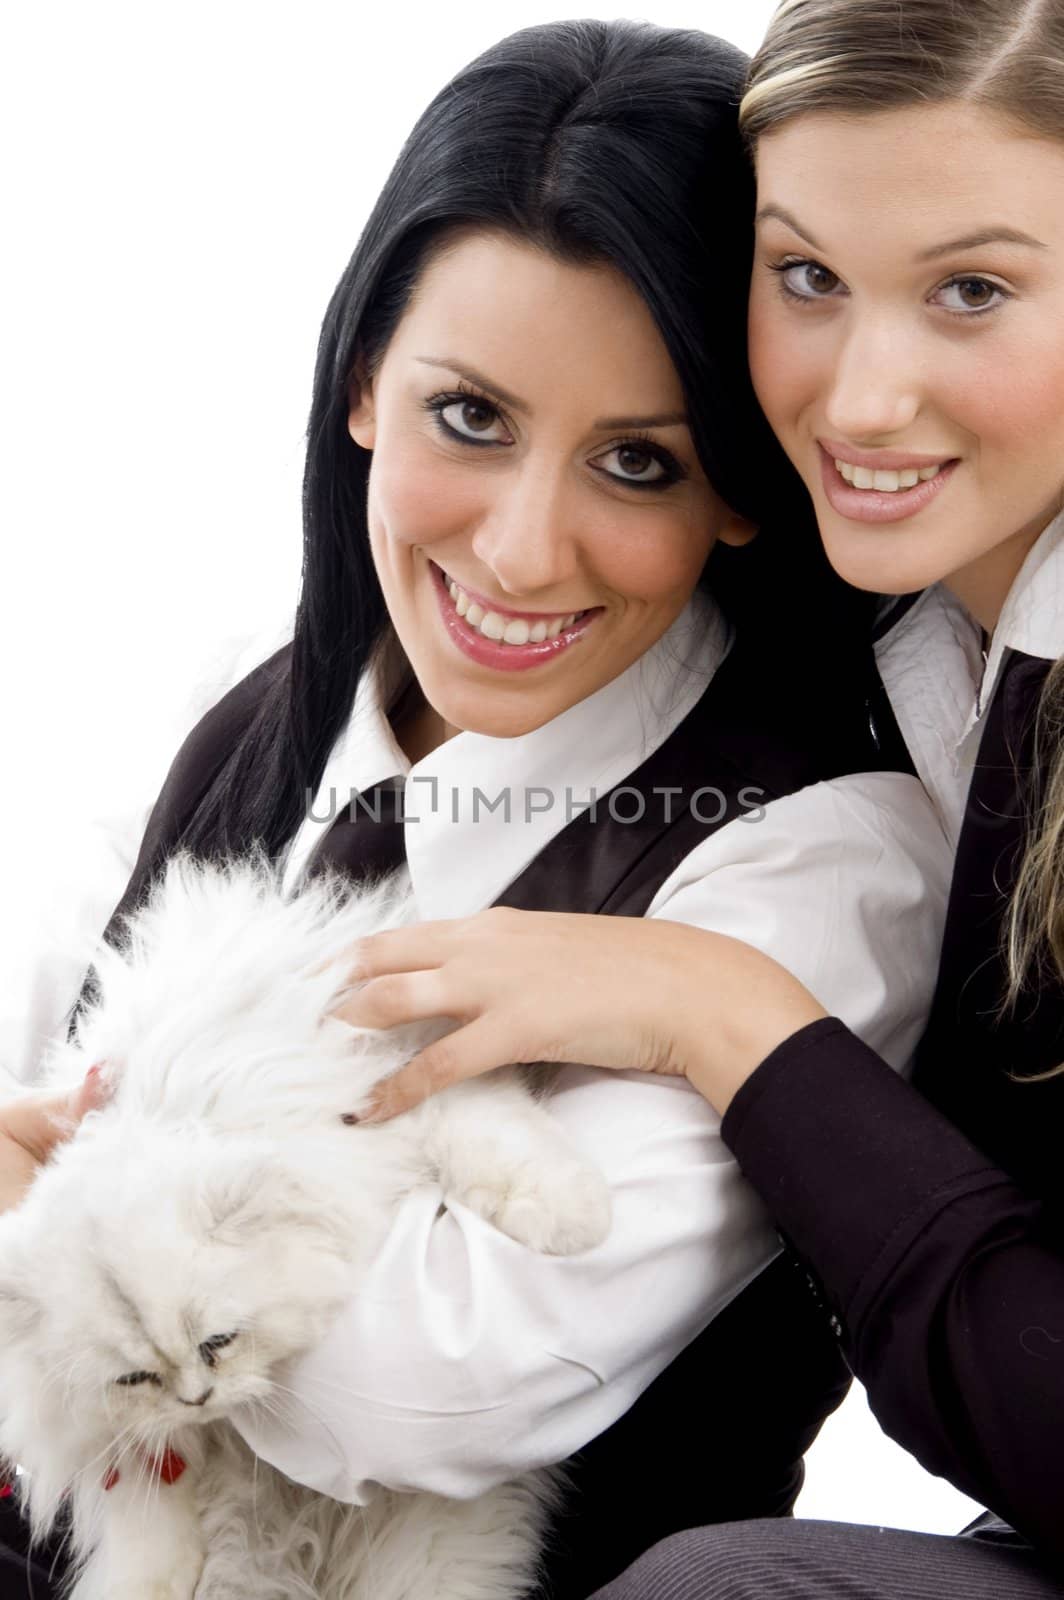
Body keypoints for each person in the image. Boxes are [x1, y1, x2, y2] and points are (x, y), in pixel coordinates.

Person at [0, 18, 949, 1600]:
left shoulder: (819, 856)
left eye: (638, 463)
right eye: (470, 417)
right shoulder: (270, 695)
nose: (517, 553)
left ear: (738, 487)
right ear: (365, 381)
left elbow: (418, 1383)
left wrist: (81, 1224)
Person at [344, 1, 1064, 1594]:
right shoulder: (899, 648)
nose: (862, 398)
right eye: (806, 276)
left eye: (973, 290)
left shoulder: (817, 828)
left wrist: (725, 1017)